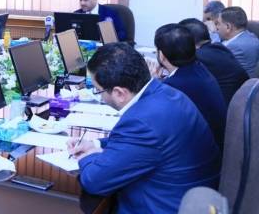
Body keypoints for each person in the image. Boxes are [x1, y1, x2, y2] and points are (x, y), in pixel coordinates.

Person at [68, 43, 220, 214]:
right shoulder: (167, 92)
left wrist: (87, 157)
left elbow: (94, 181)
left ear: (119, 93)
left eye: (98, 91)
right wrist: (96, 144)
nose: (100, 96)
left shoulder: (141, 123)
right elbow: (140, 143)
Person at [154, 24, 227, 150]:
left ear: (161, 55)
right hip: (215, 146)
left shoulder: (173, 86)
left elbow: (156, 121)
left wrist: (154, 84)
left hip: (198, 153)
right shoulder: (199, 67)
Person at [179, 18, 248, 105]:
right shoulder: (219, 47)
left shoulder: (198, 57)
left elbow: (179, 83)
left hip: (225, 108)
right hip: (240, 104)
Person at [215, 6, 259, 78]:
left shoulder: (234, 47)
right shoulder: (250, 35)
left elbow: (212, 61)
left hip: (236, 84)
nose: (216, 27)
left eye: (218, 24)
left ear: (228, 27)